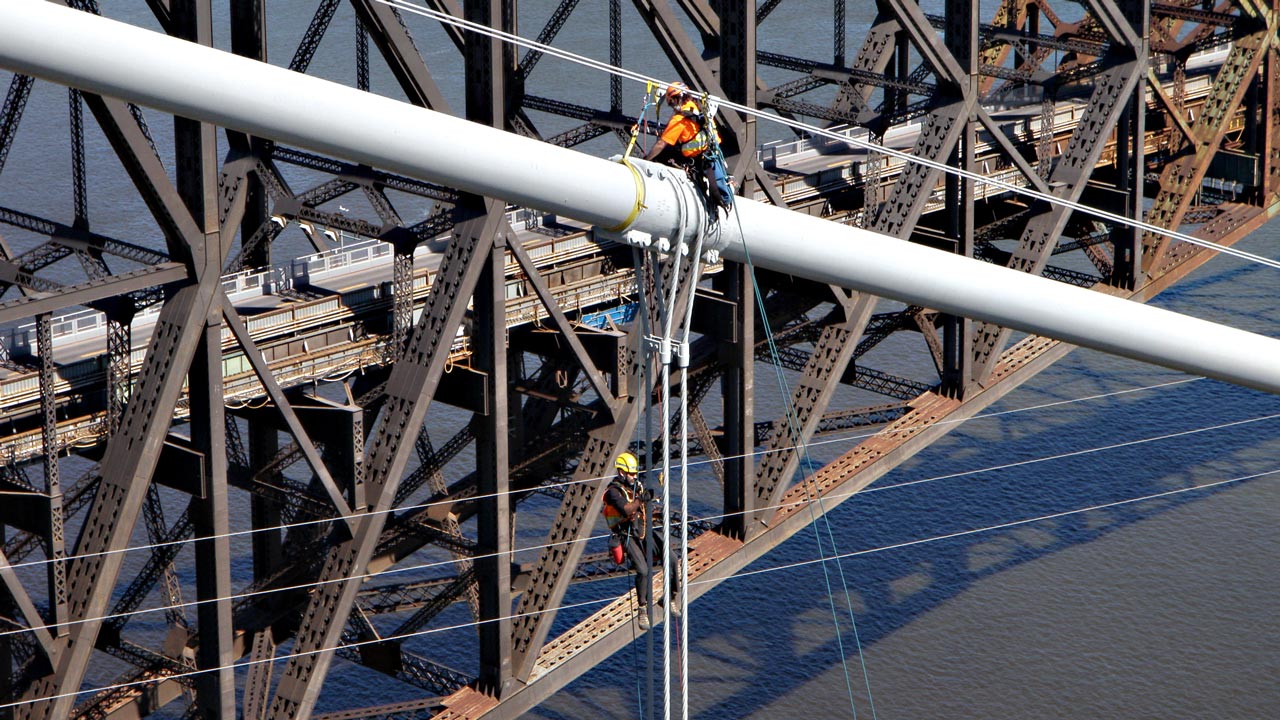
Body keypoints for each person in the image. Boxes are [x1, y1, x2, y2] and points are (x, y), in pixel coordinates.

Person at [644, 82, 730, 213]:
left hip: (695, 158)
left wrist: (646, 160)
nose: (672, 107)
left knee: (661, 153)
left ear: (676, 99)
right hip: (709, 154)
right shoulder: (699, 107)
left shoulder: (679, 119)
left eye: (671, 102)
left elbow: (661, 144)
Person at [603, 451, 656, 628]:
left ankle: (670, 595)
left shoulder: (635, 486)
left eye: (635, 473)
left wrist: (646, 500)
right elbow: (626, 510)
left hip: (638, 529)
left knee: (669, 557)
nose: (634, 476)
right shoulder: (613, 492)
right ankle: (642, 609)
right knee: (643, 570)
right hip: (625, 535)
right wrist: (641, 499)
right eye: (631, 473)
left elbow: (641, 508)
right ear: (621, 472)